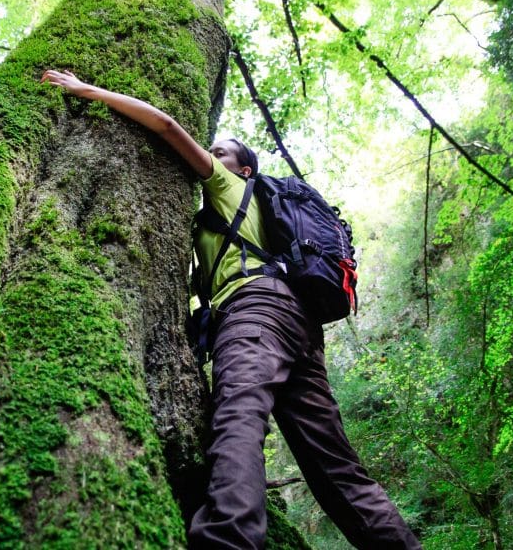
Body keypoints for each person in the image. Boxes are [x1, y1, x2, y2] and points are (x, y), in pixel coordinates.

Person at [41, 70, 422, 550]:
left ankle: (228, 540)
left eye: (221, 151)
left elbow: (164, 125)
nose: (211, 154)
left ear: (243, 170)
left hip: (255, 311)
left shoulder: (229, 187)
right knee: (337, 470)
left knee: (238, 417)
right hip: (299, 326)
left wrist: (88, 91)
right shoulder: (244, 213)